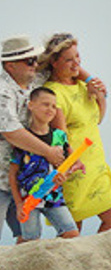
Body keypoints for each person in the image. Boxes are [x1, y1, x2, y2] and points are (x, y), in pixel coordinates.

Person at [37, 32, 111, 233]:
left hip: (97, 164)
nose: (76, 63)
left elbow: (97, 119)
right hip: (75, 164)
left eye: (78, 57)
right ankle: (75, 263)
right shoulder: (53, 92)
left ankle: (92, 261)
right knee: (72, 231)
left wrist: (99, 97)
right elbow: (60, 133)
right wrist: (71, 158)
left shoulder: (84, 85)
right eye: (69, 59)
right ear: (54, 62)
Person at [7, 88, 81, 241]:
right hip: (28, 199)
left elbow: (68, 165)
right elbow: (13, 174)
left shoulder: (59, 136)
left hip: (54, 197)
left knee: (71, 233)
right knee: (30, 241)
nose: (50, 109)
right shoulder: (24, 139)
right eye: (45, 104)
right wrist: (19, 204)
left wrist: (65, 176)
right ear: (31, 105)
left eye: (54, 106)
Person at [1, 34, 62, 179]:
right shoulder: (2, 91)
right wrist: (48, 152)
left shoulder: (33, 81)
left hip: (26, 181)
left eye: (35, 59)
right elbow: (12, 131)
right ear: (10, 66)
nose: (35, 64)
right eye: (29, 61)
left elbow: (61, 61)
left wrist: (90, 80)